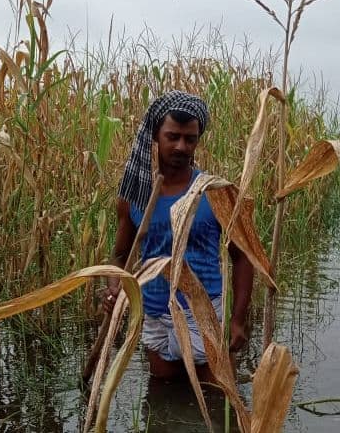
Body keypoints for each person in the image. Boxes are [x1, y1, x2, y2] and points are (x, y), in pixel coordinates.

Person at [104, 90, 253, 382]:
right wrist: (116, 290)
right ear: (156, 137)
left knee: (215, 400)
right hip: (155, 316)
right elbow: (120, 255)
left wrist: (237, 320)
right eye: (172, 137)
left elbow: (243, 258)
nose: (181, 147)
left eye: (190, 138)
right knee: (161, 400)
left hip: (205, 314)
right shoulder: (135, 197)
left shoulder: (215, 192)